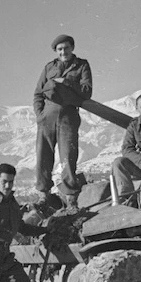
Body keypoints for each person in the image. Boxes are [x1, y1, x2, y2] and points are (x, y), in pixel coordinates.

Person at [33, 34, 92, 209]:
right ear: (56, 51)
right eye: (59, 49)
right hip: (47, 116)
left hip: (68, 116)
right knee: (43, 156)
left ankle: (71, 196)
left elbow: (87, 91)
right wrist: (40, 115)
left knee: (68, 157)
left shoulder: (82, 65)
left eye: (66, 48)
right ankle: (43, 195)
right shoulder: (49, 67)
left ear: (72, 48)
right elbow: (38, 93)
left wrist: (67, 82)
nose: (63, 51)